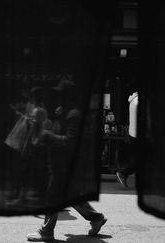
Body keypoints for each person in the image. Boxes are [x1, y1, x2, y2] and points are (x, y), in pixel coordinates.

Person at [26, 80, 107, 242]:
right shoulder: (66, 111)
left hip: (64, 164)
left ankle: (47, 231)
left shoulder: (74, 114)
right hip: (60, 162)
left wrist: (48, 135)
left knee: (52, 196)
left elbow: (70, 141)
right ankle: (96, 218)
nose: (57, 97)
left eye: (60, 94)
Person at [116, 88, 138, 188]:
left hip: (133, 134)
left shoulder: (134, 99)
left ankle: (123, 173)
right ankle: (123, 173)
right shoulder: (138, 101)